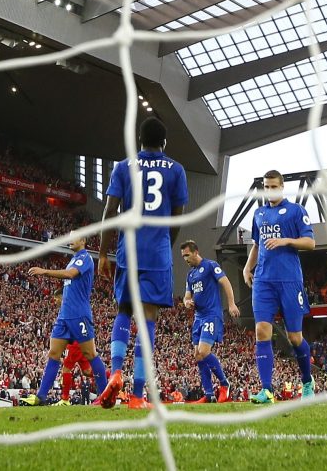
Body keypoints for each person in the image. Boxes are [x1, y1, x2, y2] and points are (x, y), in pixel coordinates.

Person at [98, 117, 188, 410]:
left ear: (139, 140)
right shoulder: (176, 170)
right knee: (148, 317)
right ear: (164, 143)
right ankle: (137, 395)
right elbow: (176, 218)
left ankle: (115, 372)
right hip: (157, 252)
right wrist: (165, 244)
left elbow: (110, 210)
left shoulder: (123, 167)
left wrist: (102, 252)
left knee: (124, 310)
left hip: (129, 250)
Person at [242, 170, 315, 404]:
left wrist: (286, 240)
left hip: (289, 281)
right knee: (262, 331)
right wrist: (247, 268)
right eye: (266, 186)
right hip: (263, 281)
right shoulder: (259, 214)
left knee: (295, 337)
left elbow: (310, 242)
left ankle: (307, 381)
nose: (270, 190)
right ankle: (266, 390)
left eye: (274, 186)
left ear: (282, 187)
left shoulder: (296, 211)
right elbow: (256, 245)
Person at [22, 234, 108, 406]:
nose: (70, 240)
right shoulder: (73, 259)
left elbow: (70, 274)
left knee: (90, 354)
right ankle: (41, 397)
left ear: (83, 240)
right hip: (64, 316)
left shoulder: (85, 258)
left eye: (74, 237)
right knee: (53, 354)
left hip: (79, 314)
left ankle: (105, 396)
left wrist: (45, 271)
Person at [181, 240, 240, 403]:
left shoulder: (210, 266)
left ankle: (224, 383)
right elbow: (187, 296)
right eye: (183, 256)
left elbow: (225, 282)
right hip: (198, 317)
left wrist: (231, 303)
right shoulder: (190, 275)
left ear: (195, 252)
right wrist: (187, 302)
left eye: (187, 255)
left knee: (204, 351)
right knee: (198, 356)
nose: (185, 259)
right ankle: (208, 394)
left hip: (211, 315)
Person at [56, 341, 92, 406]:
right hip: (83, 343)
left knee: (66, 370)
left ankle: (65, 399)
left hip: (73, 344)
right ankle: (105, 385)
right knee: (87, 372)